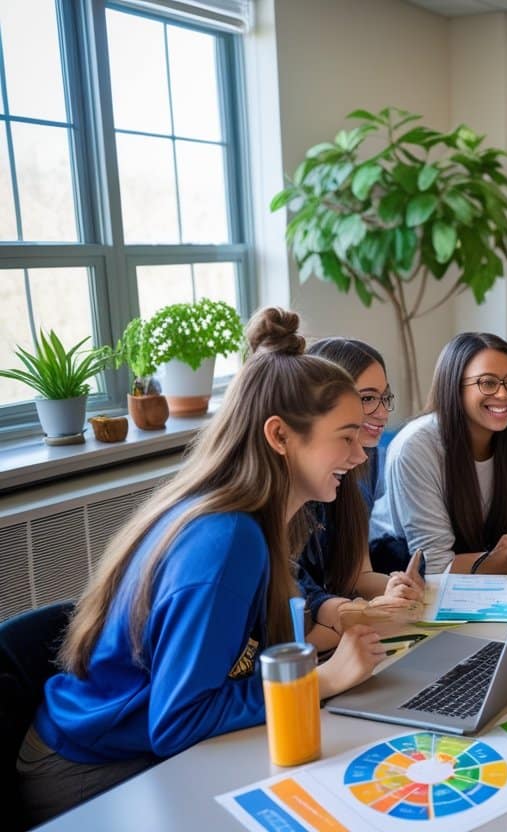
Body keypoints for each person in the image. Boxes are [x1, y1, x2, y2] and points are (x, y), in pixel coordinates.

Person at [18, 308, 387, 824]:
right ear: (279, 437)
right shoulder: (227, 540)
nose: (360, 454)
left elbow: (244, 654)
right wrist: (320, 682)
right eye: (345, 437)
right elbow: (179, 719)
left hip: (138, 745)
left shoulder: (257, 521)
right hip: (89, 769)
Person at [372, 333, 507, 574]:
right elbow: (433, 564)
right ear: (455, 386)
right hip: (399, 575)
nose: (504, 394)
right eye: (488, 383)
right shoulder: (416, 446)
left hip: (484, 579)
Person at [298, 337, 423, 652]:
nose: (382, 413)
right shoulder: (298, 489)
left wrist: (396, 589)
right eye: (368, 398)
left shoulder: (367, 459)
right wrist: (363, 617)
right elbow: (298, 620)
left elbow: (358, 574)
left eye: (385, 397)